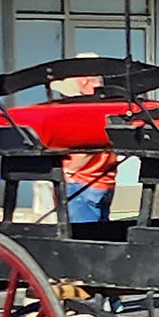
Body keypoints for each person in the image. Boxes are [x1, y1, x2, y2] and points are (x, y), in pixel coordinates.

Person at [53, 59, 122, 225]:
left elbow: (84, 149)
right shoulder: (108, 110)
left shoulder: (82, 114)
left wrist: (69, 171)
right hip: (104, 181)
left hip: (81, 182)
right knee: (98, 232)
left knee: (78, 234)